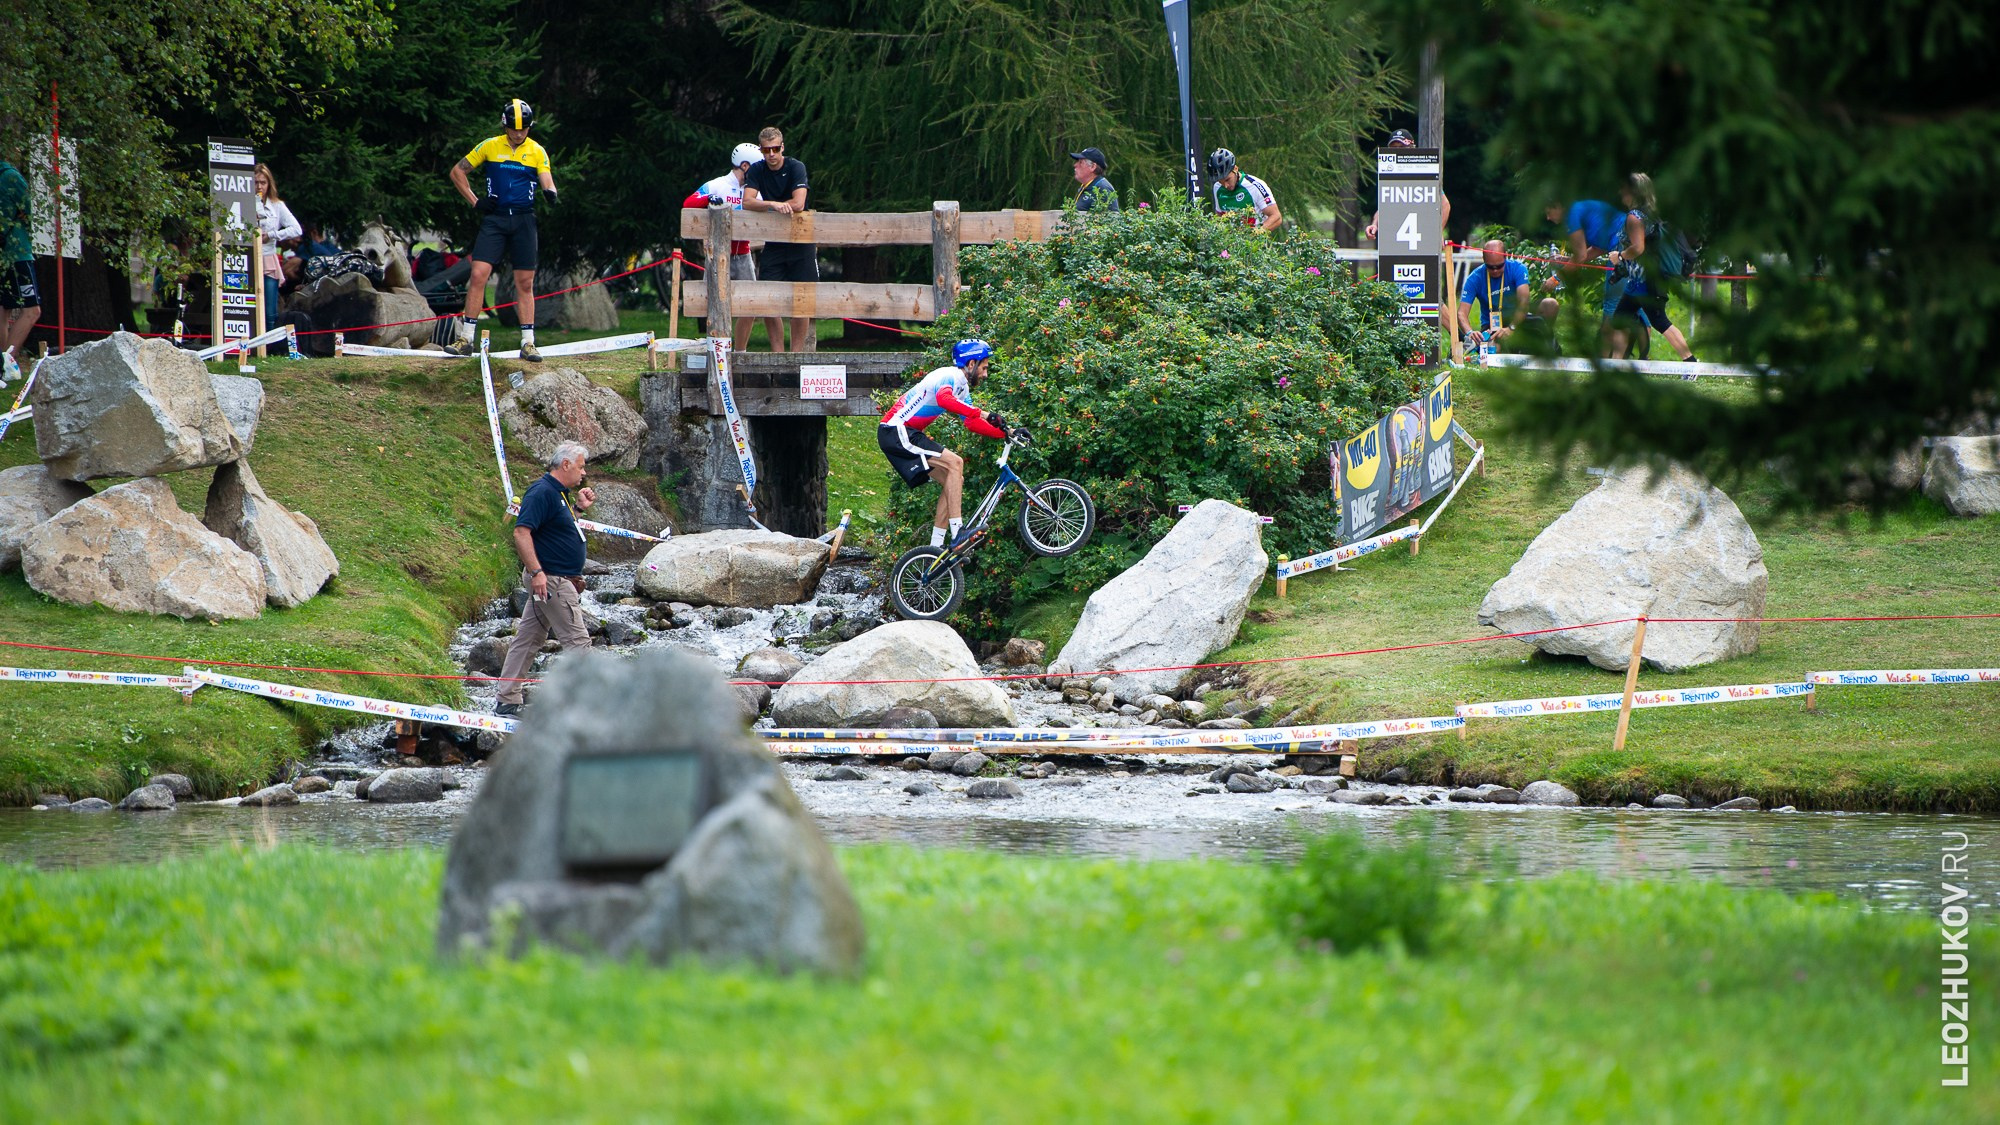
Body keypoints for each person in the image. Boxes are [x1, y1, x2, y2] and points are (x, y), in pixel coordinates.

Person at [446, 98, 558, 361]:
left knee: (525, 282)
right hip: (495, 219)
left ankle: (528, 343)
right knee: (478, 274)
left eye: (524, 129)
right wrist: (476, 202)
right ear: (505, 126)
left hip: (523, 221)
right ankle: (466, 339)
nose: (519, 134)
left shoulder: (537, 151)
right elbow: (457, 172)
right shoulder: (490, 145)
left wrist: (550, 192)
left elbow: (547, 178)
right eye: (514, 129)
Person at [494, 440, 596, 717]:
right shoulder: (541, 492)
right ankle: (598, 707)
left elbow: (559, 530)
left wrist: (579, 509)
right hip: (552, 581)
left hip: (552, 579)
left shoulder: (559, 493)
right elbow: (521, 532)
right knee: (579, 643)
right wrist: (537, 573)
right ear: (566, 464)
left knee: (528, 639)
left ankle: (507, 699)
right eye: (581, 467)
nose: (583, 473)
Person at [878, 338, 1010, 549]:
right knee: (956, 463)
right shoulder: (948, 376)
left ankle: (935, 547)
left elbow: (971, 422)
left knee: (954, 478)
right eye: (984, 368)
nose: (985, 374)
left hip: (908, 432)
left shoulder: (962, 388)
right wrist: (985, 413)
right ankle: (958, 532)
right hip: (896, 430)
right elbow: (943, 399)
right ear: (971, 364)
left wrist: (1007, 433)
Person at [683, 142, 764, 351]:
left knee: (750, 305)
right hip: (718, 253)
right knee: (712, 303)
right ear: (745, 166)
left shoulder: (755, 190)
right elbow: (689, 203)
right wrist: (708, 199)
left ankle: (740, 351)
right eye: (757, 167)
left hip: (743, 254)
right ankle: (715, 349)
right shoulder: (718, 184)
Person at [742, 127, 815, 352]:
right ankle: (778, 355)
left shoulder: (796, 167)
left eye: (775, 149)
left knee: (801, 299)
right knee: (768, 297)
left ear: (782, 147)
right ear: (761, 150)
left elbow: (798, 203)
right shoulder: (757, 169)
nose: (771, 154)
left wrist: (773, 206)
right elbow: (747, 201)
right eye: (766, 150)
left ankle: (796, 354)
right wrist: (773, 204)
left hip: (801, 240)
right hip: (773, 240)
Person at [1365, 129, 1449, 241]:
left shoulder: (1424, 173)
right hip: (1396, 239)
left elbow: (1445, 205)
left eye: (1402, 147)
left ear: (1412, 148)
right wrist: (1374, 225)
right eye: (1393, 148)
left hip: (1423, 236)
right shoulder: (1390, 177)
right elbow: (1384, 207)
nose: (1398, 151)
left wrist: (1438, 232)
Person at [0, 154, 39, 384]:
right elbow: (33, 213)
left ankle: (1, 366)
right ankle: (6, 364)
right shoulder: (11, 177)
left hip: (3, 255)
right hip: (17, 253)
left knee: (3, 310)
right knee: (32, 311)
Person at [253, 164, 302, 329]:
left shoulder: (277, 205)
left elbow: (296, 229)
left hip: (268, 258)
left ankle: (270, 341)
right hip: (248, 258)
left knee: (270, 309)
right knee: (249, 306)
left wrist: (273, 234)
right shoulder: (244, 203)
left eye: (263, 182)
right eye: (256, 182)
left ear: (269, 184)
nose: (259, 186)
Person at [1456, 239, 1532, 346]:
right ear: (1484, 260)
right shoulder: (1474, 278)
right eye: (1490, 267)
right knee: (1494, 347)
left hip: (1517, 320)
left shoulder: (1518, 268)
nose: (1495, 270)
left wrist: (1511, 328)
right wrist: (1470, 332)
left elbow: (1524, 302)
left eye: (1499, 266)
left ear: (1505, 256)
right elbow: (1461, 313)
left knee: (1549, 305)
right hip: (1491, 326)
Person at [1208, 149, 1281, 232]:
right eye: (1221, 182)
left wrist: (1254, 234)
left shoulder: (1255, 186)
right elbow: (1219, 216)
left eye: (1228, 180)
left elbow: (1276, 217)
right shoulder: (1217, 187)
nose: (1225, 185)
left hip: (1253, 237)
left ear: (1235, 169)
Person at [1069, 147, 1119, 213]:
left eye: (1080, 162)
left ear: (1092, 167)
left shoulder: (1102, 189)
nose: (1075, 165)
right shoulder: (1086, 186)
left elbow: (1113, 217)